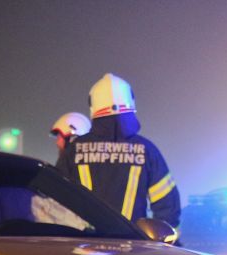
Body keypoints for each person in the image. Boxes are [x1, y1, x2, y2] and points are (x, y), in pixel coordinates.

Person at [56, 73, 181, 229]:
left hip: (83, 241)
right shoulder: (147, 150)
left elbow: (55, 201)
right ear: (131, 102)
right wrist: (163, 239)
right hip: (132, 243)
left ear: (93, 106)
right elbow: (168, 206)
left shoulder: (73, 151)